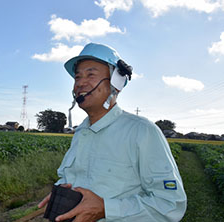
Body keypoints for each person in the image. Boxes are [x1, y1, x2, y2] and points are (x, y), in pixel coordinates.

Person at [38, 43, 187, 222]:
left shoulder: (142, 131)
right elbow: (74, 178)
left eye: (90, 75)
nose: (80, 83)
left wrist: (106, 209)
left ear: (116, 81)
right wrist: (61, 193)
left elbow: (170, 204)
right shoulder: (81, 132)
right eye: (77, 77)